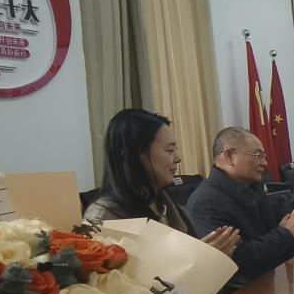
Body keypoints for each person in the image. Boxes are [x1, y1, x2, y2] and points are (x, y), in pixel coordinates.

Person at [86, 109, 239, 256]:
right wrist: (200, 260)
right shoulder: (101, 220)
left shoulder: (165, 204)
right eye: (169, 150)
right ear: (134, 155)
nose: (178, 158)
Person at [187, 127, 294, 285]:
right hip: (243, 291)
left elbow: (270, 233)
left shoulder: (251, 186)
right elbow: (241, 259)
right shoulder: (206, 202)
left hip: (273, 278)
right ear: (229, 156)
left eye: (264, 156)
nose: (265, 163)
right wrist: (286, 232)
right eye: (258, 155)